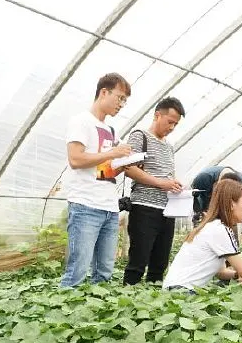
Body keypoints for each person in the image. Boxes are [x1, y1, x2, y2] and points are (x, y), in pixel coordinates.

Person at [60, 73, 133, 288]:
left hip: (109, 208)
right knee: (78, 269)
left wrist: (122, 165)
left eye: (125, 101)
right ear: (104, 92)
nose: (121, 104)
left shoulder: (110, 130)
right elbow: (75, 159)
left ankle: (95, 316)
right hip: (85, 205)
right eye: (119, 98)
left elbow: (104, 173)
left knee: (105, 271)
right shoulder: (81, 121)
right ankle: (63, 314)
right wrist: (113, 154)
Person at [122, 97, 185, 285]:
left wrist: (174, 185)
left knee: (160, 263)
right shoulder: (140, 136)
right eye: (170, 122)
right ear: (158, 115)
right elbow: (129, 168)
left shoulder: (169, 146)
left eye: (176, 124)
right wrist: (161, 183)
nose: (172, 127)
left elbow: (167, 176)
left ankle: (153, 306)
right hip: (144, 208)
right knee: (138, 262)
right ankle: (126, 302)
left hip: (167, 210)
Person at [192, 166, 242, 237]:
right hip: (205, 213)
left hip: (228, 216)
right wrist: (201, 214)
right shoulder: (204, 178)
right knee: (202, 236)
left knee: (230, 237)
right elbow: (193, 196)